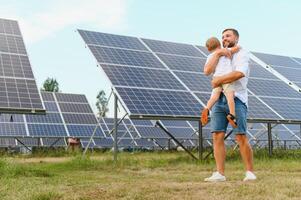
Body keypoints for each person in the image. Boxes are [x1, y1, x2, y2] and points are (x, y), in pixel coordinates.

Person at [203, 28, 256, 182]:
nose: (225, 38)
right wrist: (218, 53)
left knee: (240, 136)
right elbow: (207, 70)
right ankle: (220, 174)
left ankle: (250, 172)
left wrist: (218, 80)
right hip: (219, 99)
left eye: (228, 35)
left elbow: (239, 73)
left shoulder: (242, 53)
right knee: (217, 135)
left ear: (236, 38)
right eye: (223, 36)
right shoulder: (217, 55)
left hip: (237, 98)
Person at [201, 37, 240, 128]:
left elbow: (208, 69)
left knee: (214, 97)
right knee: (230, 97)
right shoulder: (225, 51)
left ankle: (207, 108)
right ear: (219, 44)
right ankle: (232, 115)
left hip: (216, 78)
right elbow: (237, 48)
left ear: (208, 49)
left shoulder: (210, 56)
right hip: (226, 78)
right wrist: (229, 47)